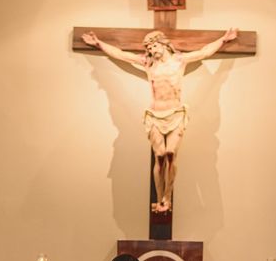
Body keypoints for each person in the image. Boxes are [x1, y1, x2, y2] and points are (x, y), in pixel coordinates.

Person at [82, 28, 238, 212]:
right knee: (160, 156)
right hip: (155, 115)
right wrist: (99, 43)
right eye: (148, 48)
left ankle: (167, 198)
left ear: (163, 44)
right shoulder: (148, 63)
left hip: (176, 114)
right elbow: (121, 55)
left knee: (171, 154)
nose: (151, 50)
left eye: (153, 45)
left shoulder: (179, 61)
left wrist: (223, 39)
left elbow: (204, 51)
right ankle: (159, 197)